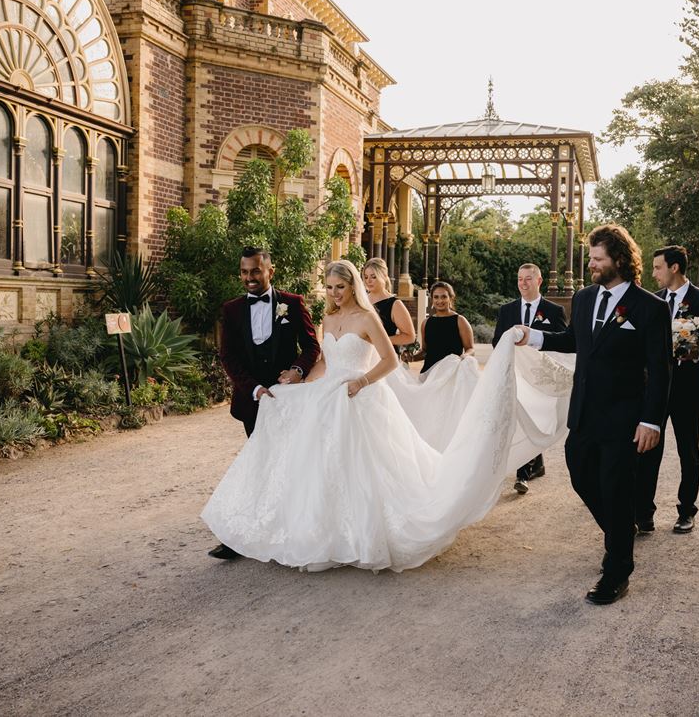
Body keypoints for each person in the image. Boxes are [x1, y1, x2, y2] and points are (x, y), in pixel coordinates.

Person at [201, 261, 537, 572]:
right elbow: (326, 362)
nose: (334, 294)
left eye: (340, 287)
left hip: (363, 397)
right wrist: (298, 377)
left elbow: (389, 360)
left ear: (352, 287)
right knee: (323, 466)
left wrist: (361, 381)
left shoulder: (366, 318)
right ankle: (328, 532)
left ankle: (368, 533)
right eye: (329, 287)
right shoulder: (329, 319)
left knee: (368, 467)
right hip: (330, 397)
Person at [517, 224, 670, 606]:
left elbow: (661, 370)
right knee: (581, 474)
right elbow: (574, 340)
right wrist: (533, 337)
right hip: (584, 414)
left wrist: (651, 421)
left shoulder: (650, 308)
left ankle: (617, 571)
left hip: (624, 419)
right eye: (590, 258)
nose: (591, 265)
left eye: (597, 259)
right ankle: (621, 532)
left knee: (617, 491)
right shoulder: (584, 299)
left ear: (620, 260)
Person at [209, 247, 320, 560]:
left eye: (255, 271)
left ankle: (295, 530)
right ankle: (238, 538)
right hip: (253, 402)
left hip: (290, 401)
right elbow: (227, 356)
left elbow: (312, 347)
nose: (249, 278)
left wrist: (298, 371)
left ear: (270, 270)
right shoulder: (231, 310)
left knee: (292, 464)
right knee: (258, 467)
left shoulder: (293, 304)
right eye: (244, 272)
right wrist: (254, 388)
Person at [636, 245, 699, 535]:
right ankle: (644, 514)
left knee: (687, 452)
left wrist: (697, 353)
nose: (653, 273)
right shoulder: (652, 301)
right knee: (647, 452)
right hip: (655, 391)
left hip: (688, 391)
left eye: (657, 267)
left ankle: (686, 511)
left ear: (674, 268)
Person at [493, 263, 568, 494]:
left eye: (528, 279)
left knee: (536, 421)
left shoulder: (554, 311)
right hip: (516, 375)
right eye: (519, 279)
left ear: (539, 281)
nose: (523, 284)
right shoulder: (507, 310)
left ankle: (537, 464)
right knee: (520, 419)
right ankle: (523, 473)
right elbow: (497, 342)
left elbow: (562, 342)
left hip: (541, 378)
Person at [418, 281, 474, 375]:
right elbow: (424, 351)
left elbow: (470, 349)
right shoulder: (426, 323)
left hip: (451, 374)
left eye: (444, 297)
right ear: (432, 299)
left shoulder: (460, 320)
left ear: (451, 298)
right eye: (436, 297)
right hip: (429, 374)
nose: (440, 301)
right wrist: (411, 357)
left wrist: (464, 356)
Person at [361, 257, 416, 347]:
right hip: (363, 356)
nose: (368, 281)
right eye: (366, 277)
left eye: (373, 277)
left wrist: (379, 341)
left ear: (384, 276)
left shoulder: (394, 304)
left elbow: (410, 337)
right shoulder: (361, 300)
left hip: (386, 356)